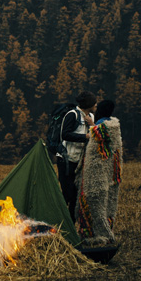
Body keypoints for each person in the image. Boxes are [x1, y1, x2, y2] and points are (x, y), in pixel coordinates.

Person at [75, 99, 123, 246]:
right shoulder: (113, 125)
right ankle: (98, 233)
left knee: (95, 204)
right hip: (107, 176)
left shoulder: (104, 127)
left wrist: (91, 124)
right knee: (103, 205)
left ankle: (103, 235)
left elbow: (101, 135)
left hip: (97, 176)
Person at [56, 91, 97, 219]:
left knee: (75, 197)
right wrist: (85, 136)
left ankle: (70, 227)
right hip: (66, 160)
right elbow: (64, 134)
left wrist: (92, 125)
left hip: (79, 163)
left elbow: (96, 135)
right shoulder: (72, 115)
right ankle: (59, 221)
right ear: (89, 104)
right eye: (94, 103)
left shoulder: (91, 117)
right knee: (67, 194)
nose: (96, 105)